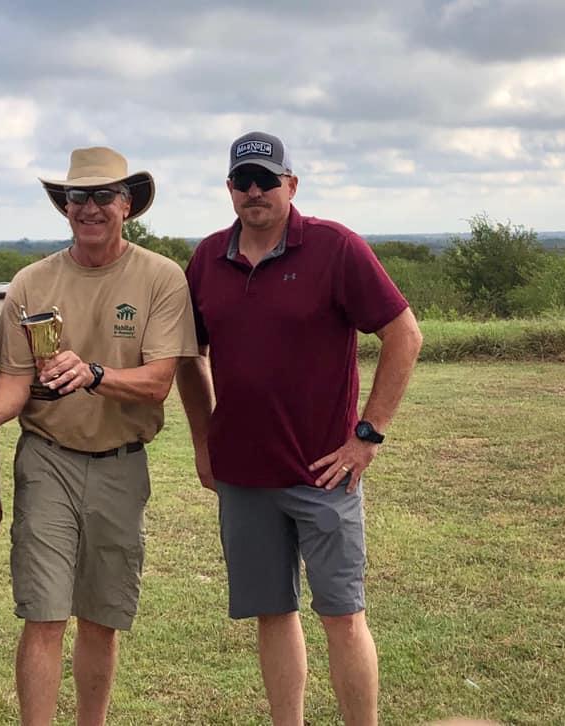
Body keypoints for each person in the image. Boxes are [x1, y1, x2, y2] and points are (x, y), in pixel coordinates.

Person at [177, 132, 423, 726]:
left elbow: (403, 334)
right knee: (273, 612)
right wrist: (204, 440)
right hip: (243, 473)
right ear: (229, 189)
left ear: (292, 184)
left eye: (267, 179)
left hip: (323, 471)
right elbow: (189, 356)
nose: (255, 191)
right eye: (243, 181)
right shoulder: (208, 258)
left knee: (342, 614)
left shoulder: (335, 247)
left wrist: (367, 436)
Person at [0, 146, 198, 725]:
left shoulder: (161, 277)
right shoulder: (31, 282)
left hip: (121, 461)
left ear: (127, 204)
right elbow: (12, 380)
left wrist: (95, 374)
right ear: (64, 207)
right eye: (78, 196)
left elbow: (158, 382)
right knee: (45, 614)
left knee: (102, 618)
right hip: (47, 457)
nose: (91, 207)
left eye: (104, 195)